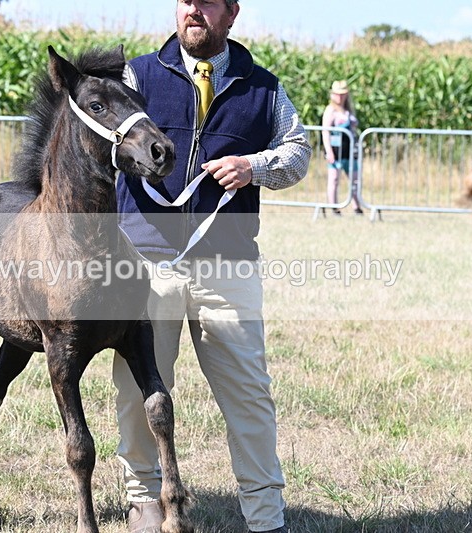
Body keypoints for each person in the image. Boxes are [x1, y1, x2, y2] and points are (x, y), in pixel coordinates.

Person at [112, 1, 311, 532]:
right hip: (147, 265)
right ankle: (144, 504)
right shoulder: (137, 74)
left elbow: (298, 153)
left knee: (249, 396)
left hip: (230, 268)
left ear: (231, 13)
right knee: (137, 390)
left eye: (207, 2)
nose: (194, 9)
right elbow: (102, 139)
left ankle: (267, 519)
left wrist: (255, 165)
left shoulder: (263, 88)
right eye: (185, 1)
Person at [321, 80, 363, 215]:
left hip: (349, 150)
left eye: (343, 94)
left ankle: (356, 206)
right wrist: (329, 152)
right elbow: (325, 131)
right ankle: (334, 207)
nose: (340, 97)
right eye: (337, 94)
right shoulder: (330, 110)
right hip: (336, 150)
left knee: (354, 179)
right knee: (334, 179)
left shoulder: (348, 110)